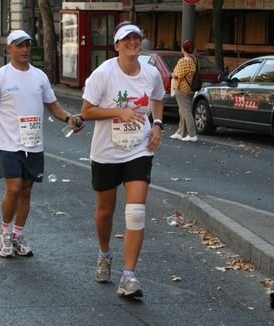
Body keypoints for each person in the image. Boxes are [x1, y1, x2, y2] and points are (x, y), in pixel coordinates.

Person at [0, 30, 83, 258]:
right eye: (19, 45)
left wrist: (69, 118)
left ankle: (17, 235)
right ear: (9, 49)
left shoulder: (39, 77)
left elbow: (52, 105)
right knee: (13, 188)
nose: (24, 49)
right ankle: (4, 232)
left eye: (27, 45)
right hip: (8, 144)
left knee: (26, 191)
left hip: (33, 143)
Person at [81, 21, 164, 298]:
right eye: (126, 39)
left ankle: (129, 276)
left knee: (136, 211)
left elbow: (158, 99)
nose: (132, 42)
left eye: (136, 38)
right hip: (106, 151)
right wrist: (119, 112)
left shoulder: (150, 73)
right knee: (106, 211)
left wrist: (157, 125)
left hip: (138, 149)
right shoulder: (103, 74)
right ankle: (104, 254)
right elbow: (87, 111)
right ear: (116, 45)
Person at [169, 40, 198, 142]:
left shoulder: (184, 61)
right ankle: (181, 132)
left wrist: (172, 74)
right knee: (183, 111)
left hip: (182, 89)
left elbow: (176, 75)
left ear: (182, 49)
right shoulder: (194, 59)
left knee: (186, 111)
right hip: (190, 89)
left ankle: (192, 134)